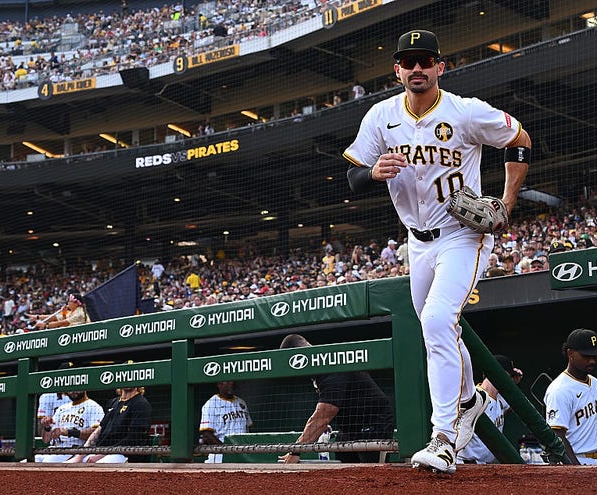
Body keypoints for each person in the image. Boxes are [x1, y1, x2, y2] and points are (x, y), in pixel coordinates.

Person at [344, 29, 531, 474]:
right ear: (397, 71)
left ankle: (444, 439)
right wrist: (372, 173)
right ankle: (471, 401)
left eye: (426, 60)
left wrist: (505, 203)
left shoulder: (464, 112)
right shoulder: (380, 116)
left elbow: (519, 138)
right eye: (408, 61)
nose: (417, 68)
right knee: (439, 331)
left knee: (436, 320)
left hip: (463, 233)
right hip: (416, 241)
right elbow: (349, 179)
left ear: (440, 67)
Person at [278, 334, 395, 464]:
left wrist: (295, 451)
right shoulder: (316, 372)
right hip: (349, 429)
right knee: (344, 473)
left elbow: (322, 417)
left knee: (374, 473)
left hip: (373, 425)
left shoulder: (329, 363)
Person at [544, 328, 597, 465]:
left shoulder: (596, 383)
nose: (592, 361)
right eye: (586, 356)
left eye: (594, 356)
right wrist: (575, 469)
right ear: (570, 353)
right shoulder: (559, 389)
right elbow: (557, 436)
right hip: (578, 459)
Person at [457, 355, 523, 464]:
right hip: (466, 464)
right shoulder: (475, 397)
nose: (510, 380)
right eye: (510, 376)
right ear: (503, 374)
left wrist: (516, 384)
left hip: (484, 467)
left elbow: (513, 405)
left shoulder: (499, 400)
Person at [66, 383, 151, 463]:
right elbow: (99, 429)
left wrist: (103, 454)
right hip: (102, 450)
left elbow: (134, 438)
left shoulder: (141, 403)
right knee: (74, 464)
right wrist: (80, 455)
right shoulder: (113, 402)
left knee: (95, 466)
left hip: (124, 453)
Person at [37, 390, 105, 462]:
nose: (73, 391)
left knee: (48, 462)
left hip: (74, 449)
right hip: (54, 448)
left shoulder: (93, 406)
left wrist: (69, 432)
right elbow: (46, 440)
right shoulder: (62, 408)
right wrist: (47, 427)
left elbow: (97, 432)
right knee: (27, 461)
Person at [199, 381, 252, 463]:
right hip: (219, 457)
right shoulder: (211, 404)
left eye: (232, 381)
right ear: (219, 384)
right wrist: (226, 450)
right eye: (226, 382)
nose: (231, 384)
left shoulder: (241, 402)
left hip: (242, 454)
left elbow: (248, 428)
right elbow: (206, 433)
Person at [37, 362, 77, 435]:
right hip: (55, 440)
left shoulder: (81, 395)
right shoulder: (47, 396)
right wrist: (47, 426)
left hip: (77, 440)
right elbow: (40, 431)